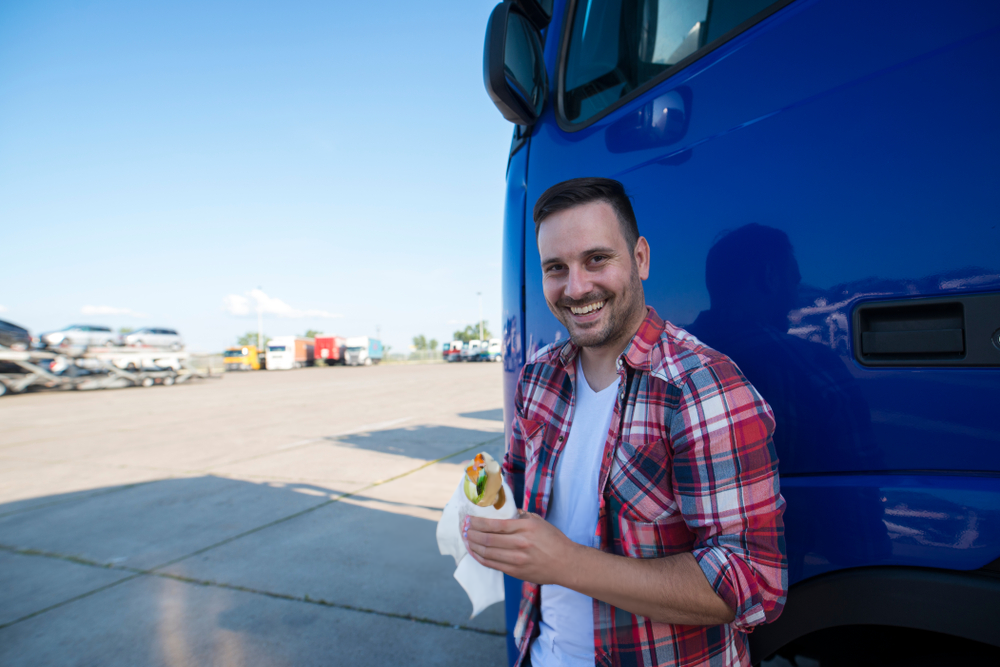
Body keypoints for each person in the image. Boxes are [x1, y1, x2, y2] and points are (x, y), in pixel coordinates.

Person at [464, 178, 787, 667]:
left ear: (640, 259)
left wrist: (566, 563)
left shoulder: (702, 388)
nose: (576, 288)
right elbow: (511, 482)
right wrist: (482, 497)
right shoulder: (537, 378)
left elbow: (751, 583)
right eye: (556, 268)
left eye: (597, 259)